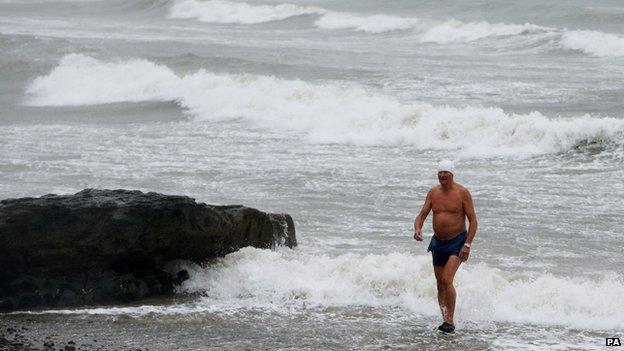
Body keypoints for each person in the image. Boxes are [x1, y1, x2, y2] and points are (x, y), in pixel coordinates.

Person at [413, 159, 478, 333]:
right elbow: (422, 214)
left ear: (452, 174)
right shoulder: (433, 193)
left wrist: (467, 245)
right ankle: (444, 318)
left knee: (446, 280)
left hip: (457, 242)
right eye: (440, 173)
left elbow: (473, 221)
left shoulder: (462, 193)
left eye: (446, 173)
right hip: (438, 242)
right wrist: (417, 228)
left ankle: (449, 321)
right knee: (439, 284)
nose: (442, 176)